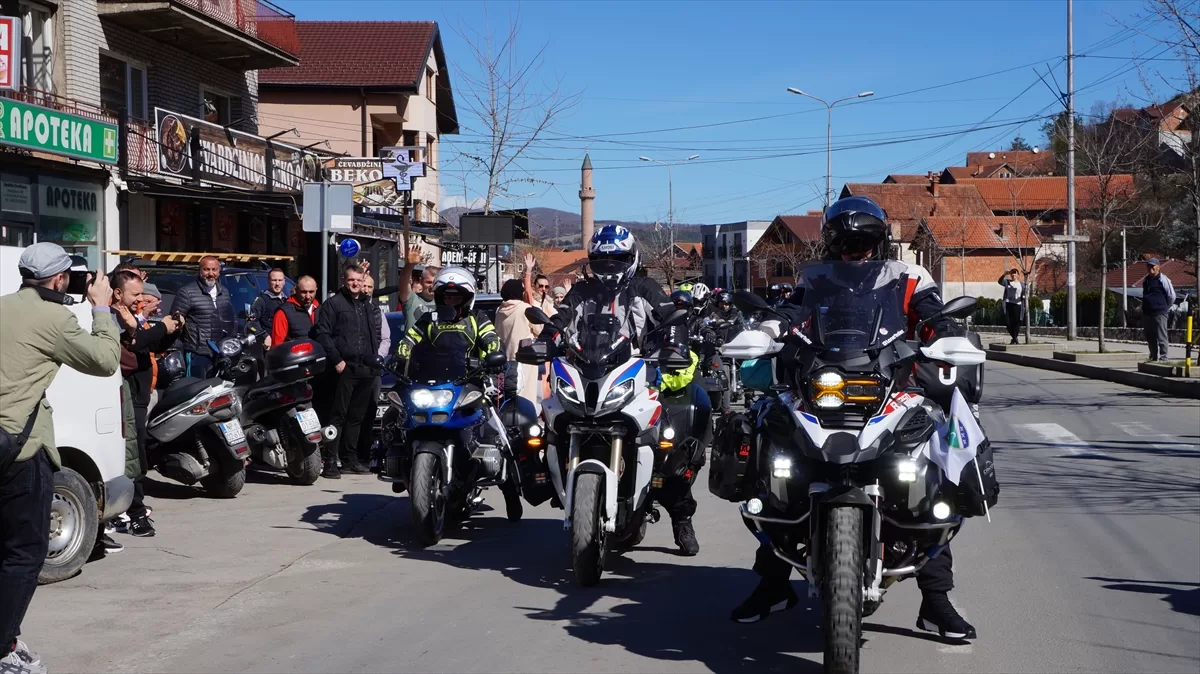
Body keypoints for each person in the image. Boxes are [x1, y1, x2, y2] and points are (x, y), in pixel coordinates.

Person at [731, 196, 977, 641]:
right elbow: (791, 313)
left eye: (861, 241)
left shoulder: (909, 275)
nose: (853, 249)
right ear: (832, 241)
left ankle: (935, 601)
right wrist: (766, 330)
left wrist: (943, 333)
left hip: (893, 388)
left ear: (878, 241)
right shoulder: (815, 278)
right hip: (823, 387)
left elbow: (931, 313)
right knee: (781, 475)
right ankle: (772, 585)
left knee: (928, 481)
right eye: (845, 241)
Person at [1, 243, 121, 674]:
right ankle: (3, 649)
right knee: (24, 552)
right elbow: (106, 360)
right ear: (59, 280)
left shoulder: (2, 306)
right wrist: (102, 308)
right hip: (21, 449)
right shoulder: (55, 318)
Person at [558, 225, 702, 555]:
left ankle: (681, 518)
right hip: (590, 374)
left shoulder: (645, 288)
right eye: (602, 261)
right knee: (551, 425)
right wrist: (545, 339)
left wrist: (675, 346)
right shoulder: (582, 291)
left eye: (617, 260)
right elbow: (561, 318)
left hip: (637, 375)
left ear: (632, 258)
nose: (609, 268)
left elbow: (670, 317)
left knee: (671, 448)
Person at [111, 270, 183, 539]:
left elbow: (150, 345)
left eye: (142, 294)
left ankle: (132, 507)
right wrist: (162, 327)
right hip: (126, 396)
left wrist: (173, 329)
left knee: (135, 454)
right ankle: (135, 512)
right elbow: (137, 342)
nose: (140, 299)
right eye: (135, 294)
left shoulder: (132, 317)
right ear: (118, 293)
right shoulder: (114, 317)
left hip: (141, 393)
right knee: (133, 456)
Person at [313, 264, 381, 478]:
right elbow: (322, 334)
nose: (355, 284)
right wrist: (337, 360)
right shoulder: (333, 304)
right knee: (337, 416)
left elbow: (373, 336)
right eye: (352, 280)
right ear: (344, 280)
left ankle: (351, 459)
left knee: (357, 417)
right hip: (343, 368)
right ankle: (331, 460)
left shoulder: (367, 305)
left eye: (359, 281)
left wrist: (374, 360)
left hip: (366, 368)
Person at [171, 255, 235, 378]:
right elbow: (174, 323)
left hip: (221, 351)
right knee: (197, 389)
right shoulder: (187, 293)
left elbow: (230, 319)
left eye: (214, 269)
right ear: (200, 271)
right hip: (197, 352)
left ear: (219, 271)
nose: (211, 273)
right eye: (206, 269)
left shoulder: (224, 292)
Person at [495, 278, 541, 408]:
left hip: (506, 361)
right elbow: (539, 328)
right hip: (525, 360)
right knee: (526, 397)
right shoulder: (525, 309)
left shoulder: (499, 310)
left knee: (508, 398)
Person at [1138, 258, 1176, 362]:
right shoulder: (1146, 280)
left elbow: (1172, 296)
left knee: (1161, 336)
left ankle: (1164, 358)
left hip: (1159, 313)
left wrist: (1164, 307)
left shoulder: (1163, 279)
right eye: (1149, 266)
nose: (1150, 268)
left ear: (1158, 267)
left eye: (1152, 266)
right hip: (1147, 313)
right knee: (1150, 336)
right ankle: (1153, 357)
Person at [271, 276, 320, 346]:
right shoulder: (283, 312)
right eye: (304, 292)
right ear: (296, 290)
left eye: (311, 292)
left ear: (316, 290)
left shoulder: (320, 309)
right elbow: (277, 346)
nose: (308, 296)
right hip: (294, 355)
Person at [249, 268, 288, 348]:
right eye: (274, 280)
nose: (277, 283)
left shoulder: (287, 300)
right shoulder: (262, 300)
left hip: (286, 344)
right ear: (268, 281)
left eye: (280, 280)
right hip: (269, 345)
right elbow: (251, 322)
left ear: (284, 282)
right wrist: (264, 336)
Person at [399, 264, 439, 333]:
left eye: (435, 283)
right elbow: (404, 281)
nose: (432, 286)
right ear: (421, 281)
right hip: (414, 342)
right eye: (428, 282)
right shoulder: (411, 299)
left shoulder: (445, 302)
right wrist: (409, 264)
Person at [998, 268, 1025, 345]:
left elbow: (1024, 293)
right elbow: (999, 281)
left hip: (1018, 305)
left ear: (1018, 275)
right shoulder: (1007, 282)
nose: (1013, 275)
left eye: (1015, 273)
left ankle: (1014, 338)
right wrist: (1004, 274)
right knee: (1008, 322)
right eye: (1012, 273)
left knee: (1016, 322)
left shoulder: (1022, 284)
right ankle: (1014, 338)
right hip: (1008, 304)